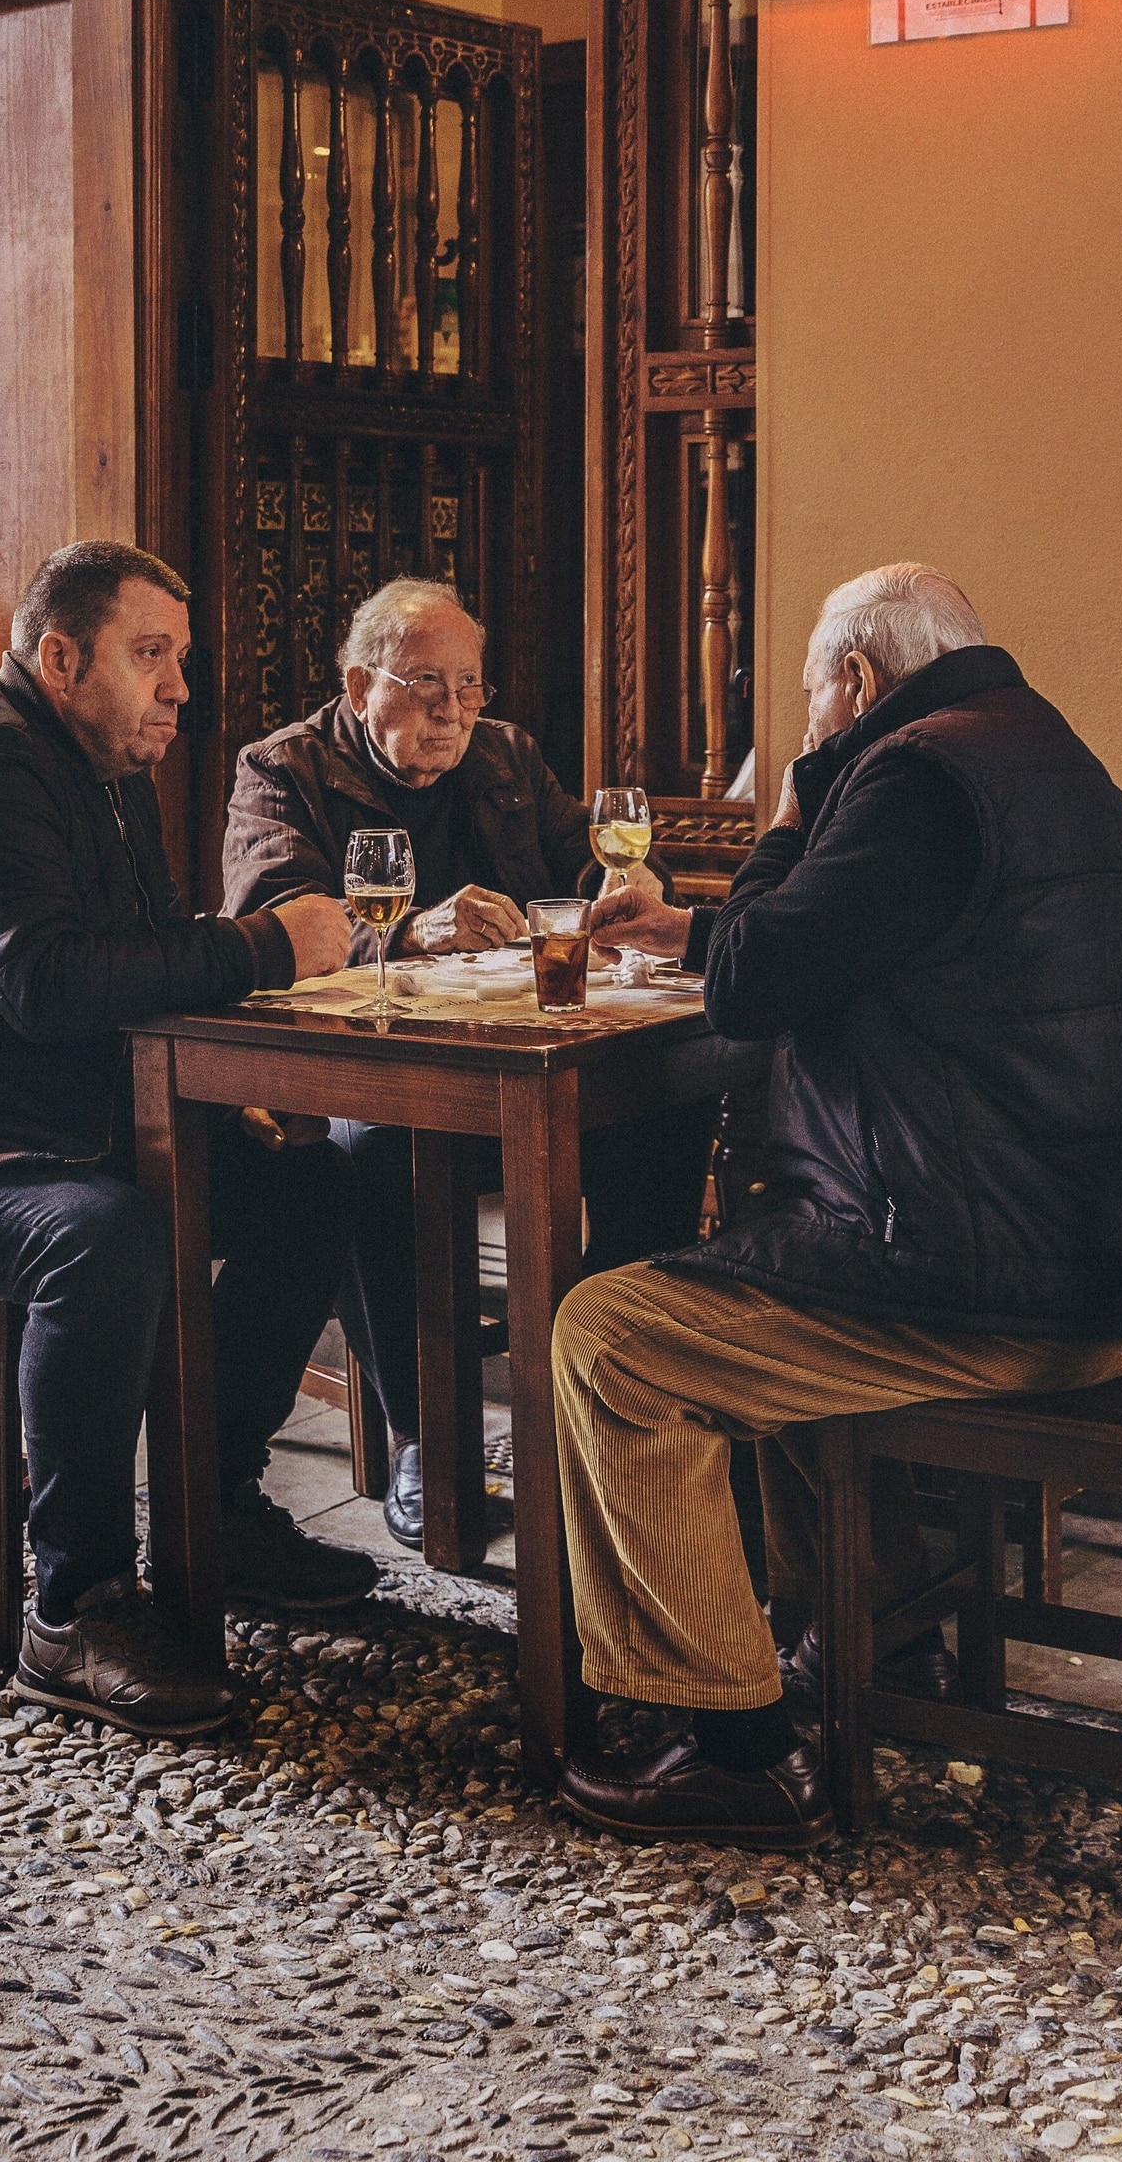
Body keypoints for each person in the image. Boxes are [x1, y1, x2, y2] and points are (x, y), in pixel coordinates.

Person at [551, 562, 1122, 1848]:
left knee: (607, 1339)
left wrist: (784, 810)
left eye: (808, 698)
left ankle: (731, 1743)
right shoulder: (1036, 747)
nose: (805, 724)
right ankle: (878, 1642)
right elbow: (842, 941)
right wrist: (688, 923)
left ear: (853, 682)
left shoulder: (907, 777)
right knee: (761, 1265)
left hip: (996, 1278)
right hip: (1087, 1246)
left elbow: (756, 984)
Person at [0, 539, 377, 1742]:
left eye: (179, 661)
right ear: (60, 658)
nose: (178, 690)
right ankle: (76, 1605)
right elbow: (48, 987)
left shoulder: (100, 762)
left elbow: (141, 955)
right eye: (151, 658)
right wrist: (266, 944)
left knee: (316, 1187)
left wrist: (219, 1091)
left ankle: (211, 1510)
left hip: (39, 1126)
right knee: (102, 1244)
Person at [222, 575, 714, 1548]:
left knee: (661, 1105)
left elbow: (581, 862)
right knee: (375, 1149)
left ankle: (611, 1399)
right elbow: (276, 911)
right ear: (361, 686)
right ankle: (423, 1439)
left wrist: (619, 891)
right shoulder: (283, 769)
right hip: (386, 1072)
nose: (454, 710)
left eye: (469, 685)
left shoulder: (505, 754)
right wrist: (404, 935)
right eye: (425, 684)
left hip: (523, 1064)